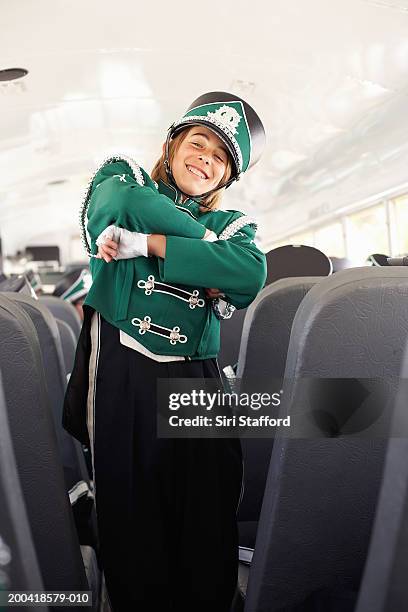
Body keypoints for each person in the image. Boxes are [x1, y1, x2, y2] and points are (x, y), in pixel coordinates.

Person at [63, 91, 266, 611]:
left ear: (225, 179)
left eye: (220, 158)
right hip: (122, 370)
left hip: (194, 378)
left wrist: (149, 244)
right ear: (172, 146)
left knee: (207, 512)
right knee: (131, 514)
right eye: (198, 144)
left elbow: (248, 273)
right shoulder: (124, 174)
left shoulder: (237, 227)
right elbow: (122, 205)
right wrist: (204, 251)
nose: (205, 159)